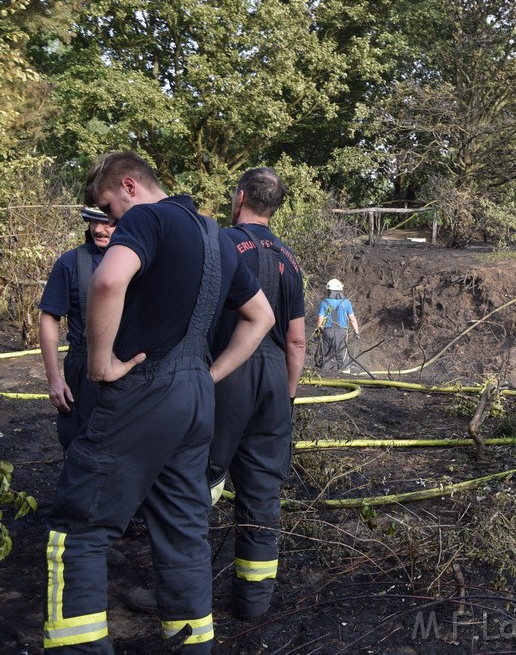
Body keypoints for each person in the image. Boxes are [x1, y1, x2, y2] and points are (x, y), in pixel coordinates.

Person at [43, 151, 274, 653]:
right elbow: (262, 318)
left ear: (129, 186)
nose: (111, 222)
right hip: (195, 400)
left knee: (79, 528)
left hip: (142, 388)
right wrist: (209, 373)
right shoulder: (215, 235)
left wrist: (101, 364)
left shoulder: (148, 217)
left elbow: (107, 279)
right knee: (184, 535)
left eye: (109, 207)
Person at [206, 167, 305, 620]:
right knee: (263, 495)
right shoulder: (291, 258)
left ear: (240, 196)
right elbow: (297, 339)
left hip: (226, 369)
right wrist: (284, 397)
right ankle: (252, 602)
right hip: (273, 378)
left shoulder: (220, 243)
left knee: (195, 482)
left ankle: (180, 588)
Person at [38, 207, 115, 449]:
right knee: (77, 442)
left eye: (107, 223)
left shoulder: (145, 260)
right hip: (83, 367)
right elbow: (49, 317)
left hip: (130, 365)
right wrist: (54, 379)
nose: (99, 229)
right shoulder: (71, 262)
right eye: (93, 222)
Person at [315, 279, 359, 371]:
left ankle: (325, 374)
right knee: (342, 354)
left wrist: (319, 331)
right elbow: (352, 319)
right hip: (341, 332)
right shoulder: (346, 302)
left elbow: (320, 320)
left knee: (325, 354)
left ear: (329, 291)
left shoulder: (324, 302)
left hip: (327, 331)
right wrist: (356, 333)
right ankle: (345, 374)